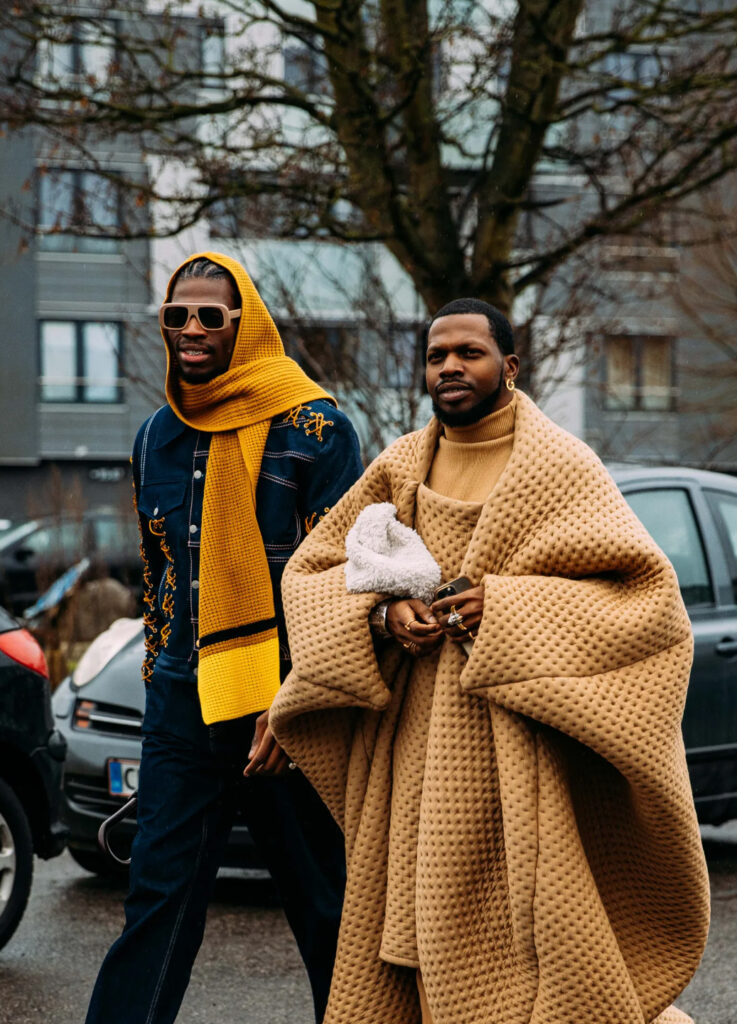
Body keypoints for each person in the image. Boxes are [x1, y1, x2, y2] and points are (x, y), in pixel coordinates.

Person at [270, 298, 710, 1024]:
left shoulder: (560, 466)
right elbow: (314, 573)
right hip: (411, 746)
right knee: (408, 930)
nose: (449, 366)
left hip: (517, 753)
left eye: (468, 353)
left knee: (520, 938)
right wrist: (383, 614)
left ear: (509, 366)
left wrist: (505, 609)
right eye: (436, 355)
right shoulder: (398, 465)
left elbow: (646, 603)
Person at [85, 252, 363, 1024]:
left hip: (290, 712)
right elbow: (159, 579)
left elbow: (343, 582)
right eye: (176, 315)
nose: (191, 329)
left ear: (246, 325)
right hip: (184, 708)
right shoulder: (156, 436)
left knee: (327, 911)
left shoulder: (315, 428)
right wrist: (158, 685)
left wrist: (294, 697)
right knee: (155, 903)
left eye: (211, 315)